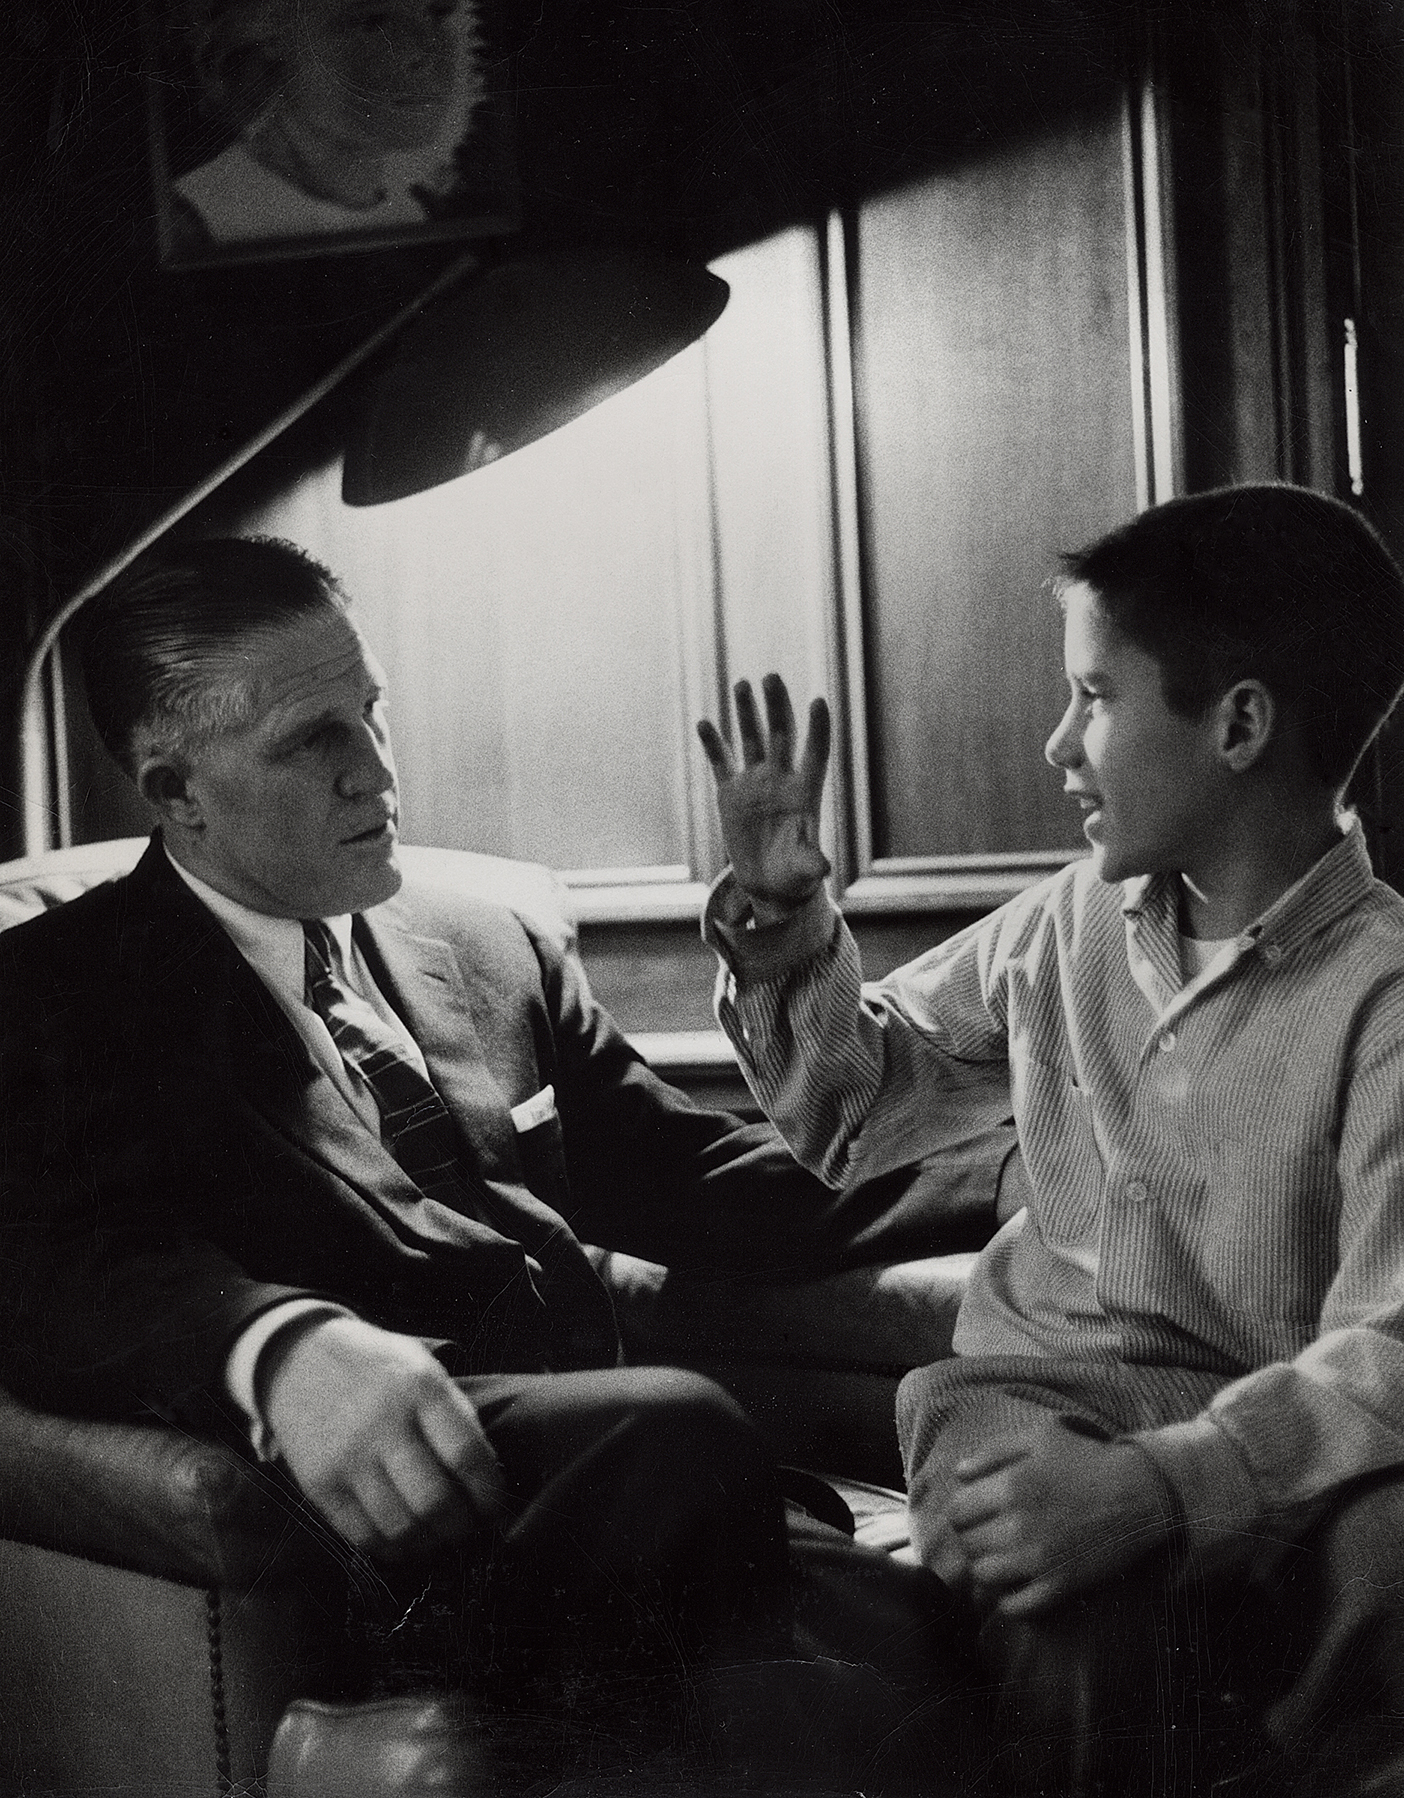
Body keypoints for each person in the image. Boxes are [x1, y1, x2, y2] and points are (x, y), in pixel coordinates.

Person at [0, 535, 1006, 1793]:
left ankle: (467, 1750)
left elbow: (685, 1175)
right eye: (317, 742)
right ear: (177, 788)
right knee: (689, 1437)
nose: (378, 774)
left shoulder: (483, 939)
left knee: (966, 1646)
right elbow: (56, 1265)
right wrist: (277, 1342)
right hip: (392, 1511)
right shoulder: (56, 992)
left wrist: (1015, 1171)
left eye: (372, 716)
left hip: (618, 1494)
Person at [697, 482, 1404, 1796]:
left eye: (1093, 697)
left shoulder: (1386, 999)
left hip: (1259, 1421)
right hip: (1029, 1398)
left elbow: (1389, 1347)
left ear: (1240, 722)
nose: (1054, 745)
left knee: (1388, 1557)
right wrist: (791, 928)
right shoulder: (1065, 922)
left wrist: (1160, 1488)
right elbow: (855, 1116)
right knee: (1082, 1621)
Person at [169, 0, 488, 250]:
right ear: (270, 43)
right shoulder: (198, 218)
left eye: (437, 12)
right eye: (372, 21)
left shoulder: (419, 213)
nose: (425, 51)